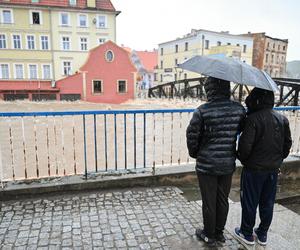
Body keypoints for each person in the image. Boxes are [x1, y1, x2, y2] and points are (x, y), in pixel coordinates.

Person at [186, 77, 245, 245]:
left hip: (207, 164)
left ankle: (208, 234)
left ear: (209, 89)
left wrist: (197, 153)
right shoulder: (239, 110)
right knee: (222, 199)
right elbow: (240, 129)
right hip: (227, 163)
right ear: (227, 88)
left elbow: (192, 137)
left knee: (209, 201)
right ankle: (219, 233)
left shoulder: (202, 111)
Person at [234, 88, 292, 246]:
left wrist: (242, 158)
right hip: (273, 169)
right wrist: (277, 160)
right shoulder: (282, 119)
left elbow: (245, 148)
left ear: (256, 99)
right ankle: (262, 233)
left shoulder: (252, 119)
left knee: (249, 201)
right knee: (267, 202)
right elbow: (287, 145)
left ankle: (246, 233)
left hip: (253, 170)